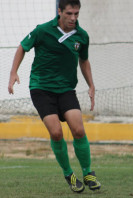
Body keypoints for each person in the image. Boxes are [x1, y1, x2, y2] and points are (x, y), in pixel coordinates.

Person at [8, 0, 101, 193]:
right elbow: (22, 47)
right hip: (41, 88)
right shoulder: (42, 30)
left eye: (76, 14)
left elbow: (84, 61)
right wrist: (13, 73)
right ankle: (69, 173)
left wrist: (91, 85)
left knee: (78, 130)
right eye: (69, 14)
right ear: (59, 11)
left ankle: (88, 172)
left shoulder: (82, 36)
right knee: (56, 133)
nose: (73, 18)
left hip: (66, 89)